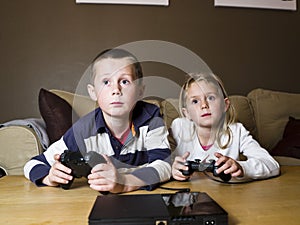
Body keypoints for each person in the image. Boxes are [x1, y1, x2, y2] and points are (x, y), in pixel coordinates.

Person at [24, 48, 171, 193]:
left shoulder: (151, 119)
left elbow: (164, 165)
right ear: (93, 92)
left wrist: (125, 183)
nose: (116, 90)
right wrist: (49, 177)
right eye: (106, 82)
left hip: (143, 200)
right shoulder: (83, 131)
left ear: (140, 91)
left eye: (125, 81)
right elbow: (32, 164)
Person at [171, 72, 280, 181]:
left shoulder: (236, 131)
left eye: (211, 98)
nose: (204, 105)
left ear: (225, 105)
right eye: (195, 101)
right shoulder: (179, 128)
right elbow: (159, 161)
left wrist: (242, 167)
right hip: (187, 195)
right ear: (187, 113)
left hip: (225, 195)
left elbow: (272, 165)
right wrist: (171, 168)